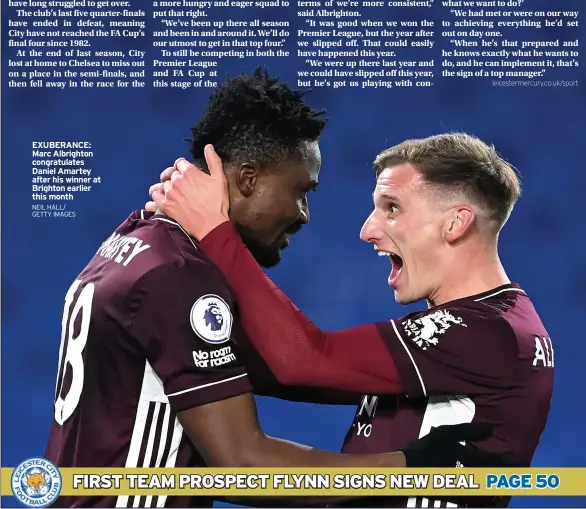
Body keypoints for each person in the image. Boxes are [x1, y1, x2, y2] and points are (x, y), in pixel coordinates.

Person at [44, 70, 506, 509]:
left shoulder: (132, 241)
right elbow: (242, 464)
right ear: (248, 180)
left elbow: (223, 432)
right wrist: (407, 468)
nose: (303, 213)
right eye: (299, 190)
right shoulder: (180, 279)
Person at [147, 132, 554, 508]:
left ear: (455, 223)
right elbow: (284, 370)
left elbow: (302, 361)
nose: (367, 230)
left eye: (392, 208)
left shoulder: (489, 333)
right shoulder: (486, 326)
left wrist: (213, 229)